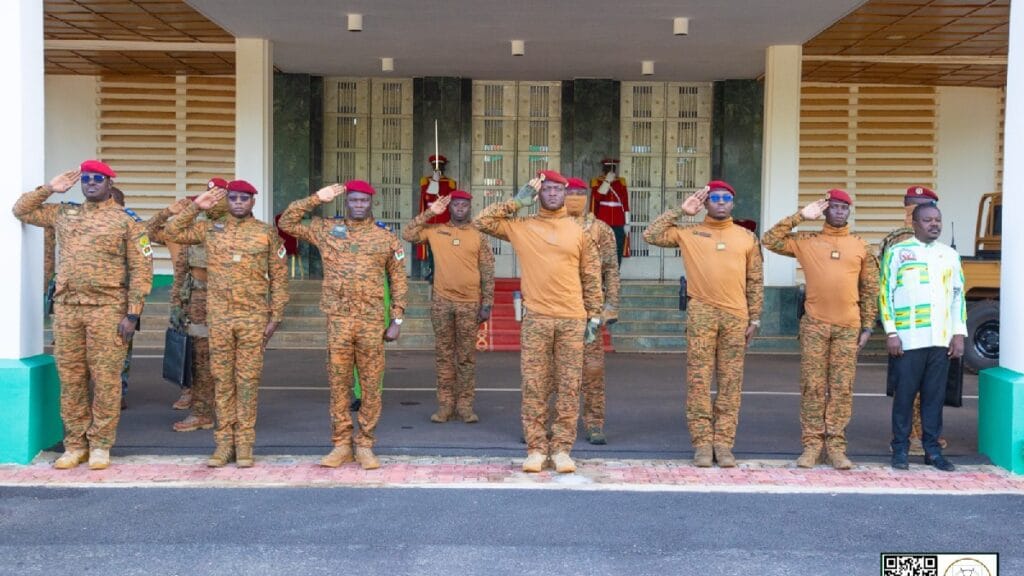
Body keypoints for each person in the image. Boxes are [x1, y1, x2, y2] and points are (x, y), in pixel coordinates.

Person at [13, 161, 153, 470]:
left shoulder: (127, 221)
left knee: (106, 380)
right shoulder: (64, 213)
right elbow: (21, 211)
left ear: (109, 183)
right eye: (86, 179)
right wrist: (50, 188)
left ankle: (101, 445)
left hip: (108, 309)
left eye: (97, 179)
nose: (90, 183)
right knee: (71, 378)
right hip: (68, 309)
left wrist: (133, 314)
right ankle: (75, 444)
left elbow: (142, 270)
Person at [475, 170, 603, 474]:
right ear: (538, 193)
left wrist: (595, 314)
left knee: (568, 386)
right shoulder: (523, 226)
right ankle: (535, 448)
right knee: (534, 385)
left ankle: (561, 449)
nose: (553, 194)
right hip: (537, 318)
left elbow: (591, 274)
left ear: (566, 193)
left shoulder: (579, 231)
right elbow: (482, 221)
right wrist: (516, 203)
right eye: (547, 189)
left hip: (572, 318)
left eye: (559, 189)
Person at [279, 180, 409, 470]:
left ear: (371, 203)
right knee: (339, 384)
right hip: (338, 320)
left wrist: (397, 319)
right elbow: (287, 222)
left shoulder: (385, 238)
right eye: (353, 200)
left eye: (364, 201)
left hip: (371, 321)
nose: (359, 205)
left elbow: (399, 279)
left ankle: (365, 444)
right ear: (346, 202)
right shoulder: (327, 229)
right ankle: (341, 444)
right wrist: (316, 198)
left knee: (371, 385)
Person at [164, 180, 289, 468]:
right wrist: (196, 206)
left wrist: (275, 317)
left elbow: (280, 278)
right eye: (233, 198)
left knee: (247, 382)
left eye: (244, 198)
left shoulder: (266, 234)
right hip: (219, 318)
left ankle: (244, 445)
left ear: (253, 201)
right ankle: (223, 444)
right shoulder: (209, 229)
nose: (238, 202)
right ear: (227, 201)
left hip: (252, 319)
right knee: (222, 381)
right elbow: (172, 232)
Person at [643, 181, 763, 468]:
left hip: (735, 316)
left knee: (730, 382)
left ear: (733, 203)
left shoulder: (747, 237)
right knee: (698, 381)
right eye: (715, 198)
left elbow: (755, 280)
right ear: (706, 203)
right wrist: (680, 211)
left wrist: (755, 317)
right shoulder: (689, 232)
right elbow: (651, 235)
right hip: (702, 314)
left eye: (726, 198)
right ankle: (702, 444)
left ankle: (723, 443)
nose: (720, 202)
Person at [762, 189, 879, 470]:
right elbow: (769, 239)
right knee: (812, 387)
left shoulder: (861, 246)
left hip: (848, 327)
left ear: (849, 212)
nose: (839, 212)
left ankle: (836, 447)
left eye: (844, 208)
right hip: (815, 325)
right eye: (834, 207)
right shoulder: (807, 241)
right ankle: (812, 446)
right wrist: (800, 216)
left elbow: (870, 289)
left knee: (841, 388)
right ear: (825, 210)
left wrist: (867, 325)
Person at [880, 203, 965, 472]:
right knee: (904, 397)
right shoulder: (898, 252)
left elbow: (958, 297)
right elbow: (885, 294)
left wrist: (958, 333)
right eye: (927, 220)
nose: (934, 224)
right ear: (915, 224)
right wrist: (891, 331)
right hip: (908, 340)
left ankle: (932, 451)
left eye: (937, 219)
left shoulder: (950, 255)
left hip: (940, 340)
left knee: (934, 398)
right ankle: (900, 449)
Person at [401, 190, 494, 424]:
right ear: (449, 207)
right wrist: (429, 213)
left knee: (466, 357)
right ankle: (445, 405)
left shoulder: (478, 235)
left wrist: (487, 303)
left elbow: (487, 271)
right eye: (456, 205)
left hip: (469, 303)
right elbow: (408, 234)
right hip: (442, 302)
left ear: (470, 207)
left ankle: (465, 406)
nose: (460, 208)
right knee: (444, 355)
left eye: (464, 205)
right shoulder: (435, 230)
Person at [149, 178, 229, 432]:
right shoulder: (184, 231)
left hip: (226, 299)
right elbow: (147, 232)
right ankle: (193, 397)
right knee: (191, 353)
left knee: (225, 357)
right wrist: (168, 212)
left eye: (219, 197)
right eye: (209, 197)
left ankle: (225, 410)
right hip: (187, 298)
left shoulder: (228, 229)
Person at [879, 185, 947, 456]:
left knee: (931, 391)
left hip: (934, 330)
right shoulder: (897, 242)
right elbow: (885, 286)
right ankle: (905, 439)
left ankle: (925, 437)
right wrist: (890, 329)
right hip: (906, 330)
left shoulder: (939, 246)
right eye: (912, 205)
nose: (914, 209)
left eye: (923, 205)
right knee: (906, 390)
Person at [564, 177, 621, 444]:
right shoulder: (552, 226)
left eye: (579, 193)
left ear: (587, 197)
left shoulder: (601, 229)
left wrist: (612, 305)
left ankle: (594, 423)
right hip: (557, 308)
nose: (574, 197)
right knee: (552, 373)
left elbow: (611, 270)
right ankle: (549, 423)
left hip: (591, 313)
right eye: (570, 193)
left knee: (593, 371)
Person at [416, 154, 458, 279]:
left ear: (444, 168)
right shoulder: (425, 181)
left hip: (443, 221)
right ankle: (432, 271)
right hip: (430, 221)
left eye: (439, 166)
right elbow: (427, 196)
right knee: (431, 249)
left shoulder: (450, 183)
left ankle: (442, 273)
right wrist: (434, 181)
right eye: (435, 166)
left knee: (443, 249)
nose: (437, 168)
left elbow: (452, 202)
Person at [590, 158, 630, 266]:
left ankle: (615, 271)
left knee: (618, 247)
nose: (611, 171)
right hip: (603, 219)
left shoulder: (621, 181)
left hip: (618, 220)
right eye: (608, 168)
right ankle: (603, 272)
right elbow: (598, 197)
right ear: (604, 169)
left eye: (613, 168)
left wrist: (627, 222)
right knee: (603, 247)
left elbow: (625, 203)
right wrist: (607, 181)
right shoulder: (597, 181)